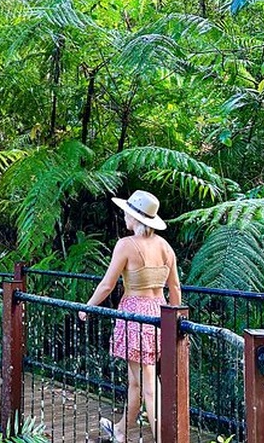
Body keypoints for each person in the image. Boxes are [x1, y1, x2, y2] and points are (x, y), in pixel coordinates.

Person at [78, 190, 182, 443]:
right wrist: (174, 324)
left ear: (135, 217)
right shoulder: (166, 247)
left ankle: (163, 439)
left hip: (134, 317)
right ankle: (121, 430)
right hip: (159, 315)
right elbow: (175, 288)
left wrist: (87, 307)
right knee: (136, 381)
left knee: (149, 386)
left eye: (127, 212)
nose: (124, 216)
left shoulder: (126, 245)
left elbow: (107, 285)